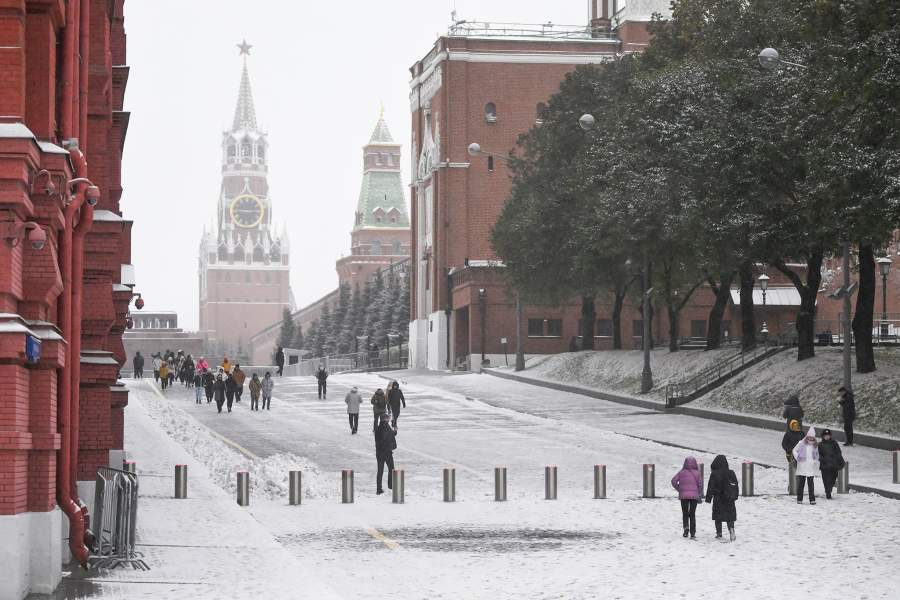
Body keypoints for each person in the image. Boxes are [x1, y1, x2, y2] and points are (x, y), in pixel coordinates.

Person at [705, 454, 738, 541]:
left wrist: (708, 498)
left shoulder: (715, 473)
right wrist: (735, 496)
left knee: (718, 516)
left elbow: (710, 486)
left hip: (718, 498)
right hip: (729, 498)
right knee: (729, 516)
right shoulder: (731, 473)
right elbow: (735, 485)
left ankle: (719, 533)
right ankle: (731, 529)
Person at [671, 457, 703, 539]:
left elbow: (673, 481)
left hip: (684, 496)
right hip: (694, 496)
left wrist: (680, 489)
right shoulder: (697, 473)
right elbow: (700, 485)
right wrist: (698, 493)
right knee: (692, 514)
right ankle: (693, 532)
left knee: (685, 513)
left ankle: (686, 529)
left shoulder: (681, 472)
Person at [793, 426, 819, 504]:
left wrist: (815, 461)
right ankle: (799, 499)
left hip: (810, 467)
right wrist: (798, 457)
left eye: (812, 437)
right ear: (807, 436)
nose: (810, 438)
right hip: (802, 466)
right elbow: (794, 450)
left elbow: (817, 455)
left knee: (811, 485)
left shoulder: (815, 445)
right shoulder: (801, 443)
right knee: (801, 484)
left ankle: (812, 499)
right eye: (809, 437)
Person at [818, 428, 845, 499]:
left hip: (833, 465)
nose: (827, 436)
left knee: (832, 479)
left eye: (828, 435)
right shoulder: (820, 444)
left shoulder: (834, 443)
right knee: (826, 480)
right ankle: (828, 492)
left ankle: (829, 489)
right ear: (823, 436)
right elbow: (818, 454)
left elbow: (838, 452)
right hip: (824, 466)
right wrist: (822, 459)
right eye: (825, 435)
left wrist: (840, 461)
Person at [374, 413, 397, 495]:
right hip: (386, 452)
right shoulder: (386, 426)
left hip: (379, 452)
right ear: (385, 419)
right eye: (388, 418)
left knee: (380, 471)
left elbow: (388, 435)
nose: (389, 419)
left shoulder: (378, 427)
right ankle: (390, 485)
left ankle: (379, 489)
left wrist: (394, 431)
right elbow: (386, 436)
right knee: (391, 468)